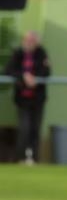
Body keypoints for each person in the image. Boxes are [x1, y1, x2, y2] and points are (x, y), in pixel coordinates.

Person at [4, 31, 51, 164]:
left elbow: (46, 71)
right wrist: (24, 76)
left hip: (37, 99)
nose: (29, 43)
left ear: (36, 42)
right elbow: (9, 70)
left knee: (35, 128)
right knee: (24, 127)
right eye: (27, 40)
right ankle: (21, 157)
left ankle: (34, 158)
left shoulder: (41, 53)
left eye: (32, 40)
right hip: (22, 99)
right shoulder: (18, 53)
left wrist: (35, 79)